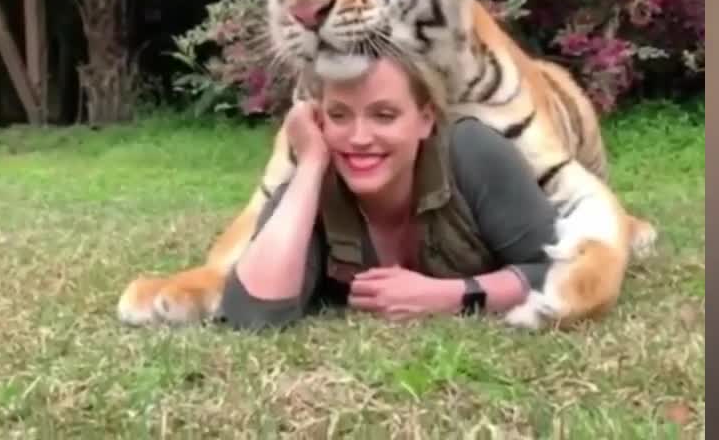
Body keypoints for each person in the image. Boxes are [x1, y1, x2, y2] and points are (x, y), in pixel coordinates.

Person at [218, 52, 561, 330]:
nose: (359, 138)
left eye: (384, 115)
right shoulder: (314, 188)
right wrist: (309, 166)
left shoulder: (472, 153)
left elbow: (565, 270)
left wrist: (450, 296)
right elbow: (252, 313)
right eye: (339, 116)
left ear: (425, 119)